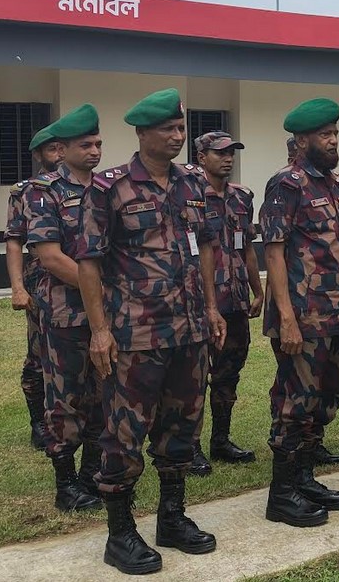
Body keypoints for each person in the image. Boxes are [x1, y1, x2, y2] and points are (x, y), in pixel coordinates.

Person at [76, 88, 227, 575]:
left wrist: (211, 307)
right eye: (168, 129)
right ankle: (119, 533)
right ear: (142, 134)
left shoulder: (192, 183)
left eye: (181, 129)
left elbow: (205, 247)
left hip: (188, 333)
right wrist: (99, 331)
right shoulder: (109, 187)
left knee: (181, 428)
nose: (177, 136)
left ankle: (172, 518)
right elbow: (89, 261)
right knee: (124, 435)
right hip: (135, 336)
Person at [257, 100, 339, 527]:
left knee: (324, 401)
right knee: (295, 403)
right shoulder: (288, 184)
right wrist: (285, 318)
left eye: (335, 134)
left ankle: (304, 477)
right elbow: (274, 253)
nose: (333, 141)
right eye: (324, 135)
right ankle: (281, 495)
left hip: (335, 315)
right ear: (302, 141)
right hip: (302, 317)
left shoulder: (331, 185)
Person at [23, 104, 104, 512]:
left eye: (98, 143)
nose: (95, 151)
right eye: (85, 144)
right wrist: (102, 291)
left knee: (102, 394)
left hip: (105, 315)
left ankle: (92, 474)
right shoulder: (45, 192)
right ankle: (66, 483)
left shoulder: (108, 189)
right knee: (66, 396)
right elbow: (51, 257)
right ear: (63, 148)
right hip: (66, 312)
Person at [191, 132, 264, 471]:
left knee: (228, 374)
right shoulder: (189, 196)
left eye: (232, 152)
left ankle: (220, 439)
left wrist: (257, 289)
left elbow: (245, 246)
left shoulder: (241, 197)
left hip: (234, 300)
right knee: (192, 378)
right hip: (199, 302)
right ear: (201, 156)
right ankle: (189, 447)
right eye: (220, 153)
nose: (227, 158)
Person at [6, 128, 65, 451]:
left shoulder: (89, 186)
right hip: (41, 282)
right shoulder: (25, 192)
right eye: (51, 150)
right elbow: (14, 242)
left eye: (61, 148)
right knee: (39, 354)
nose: (58, 154)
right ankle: (38, 422)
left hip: (80, 278)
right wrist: (17, 287)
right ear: (39, 155)